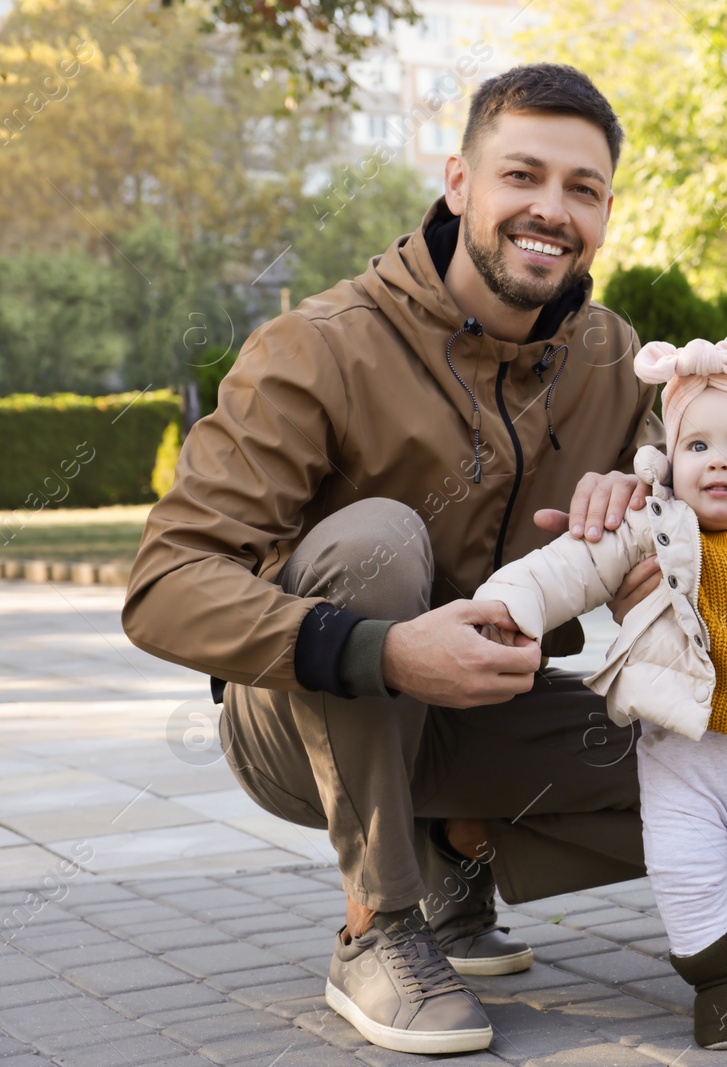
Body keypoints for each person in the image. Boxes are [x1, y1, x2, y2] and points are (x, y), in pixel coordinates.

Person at [122, 64, 669, 1054]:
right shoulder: (318, 346)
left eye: (581, 189)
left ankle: (456, 851)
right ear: (459, 181)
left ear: (605, 211)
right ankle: (379, 922)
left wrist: (654, 527)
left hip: (484, 719)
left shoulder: (612, 357)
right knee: (376, 537)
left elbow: (715, 491)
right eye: (523, 176)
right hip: (304, 724)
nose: (551, 209)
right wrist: (380, 650)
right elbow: (164, 586)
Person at [474, 334, 727, 1050]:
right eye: (699, 447)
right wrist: (507, 605)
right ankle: (721, 981)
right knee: (684, 870)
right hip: (689, 756)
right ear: (670, 464)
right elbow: (567, 567)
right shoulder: (651, 527)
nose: (719, 460)